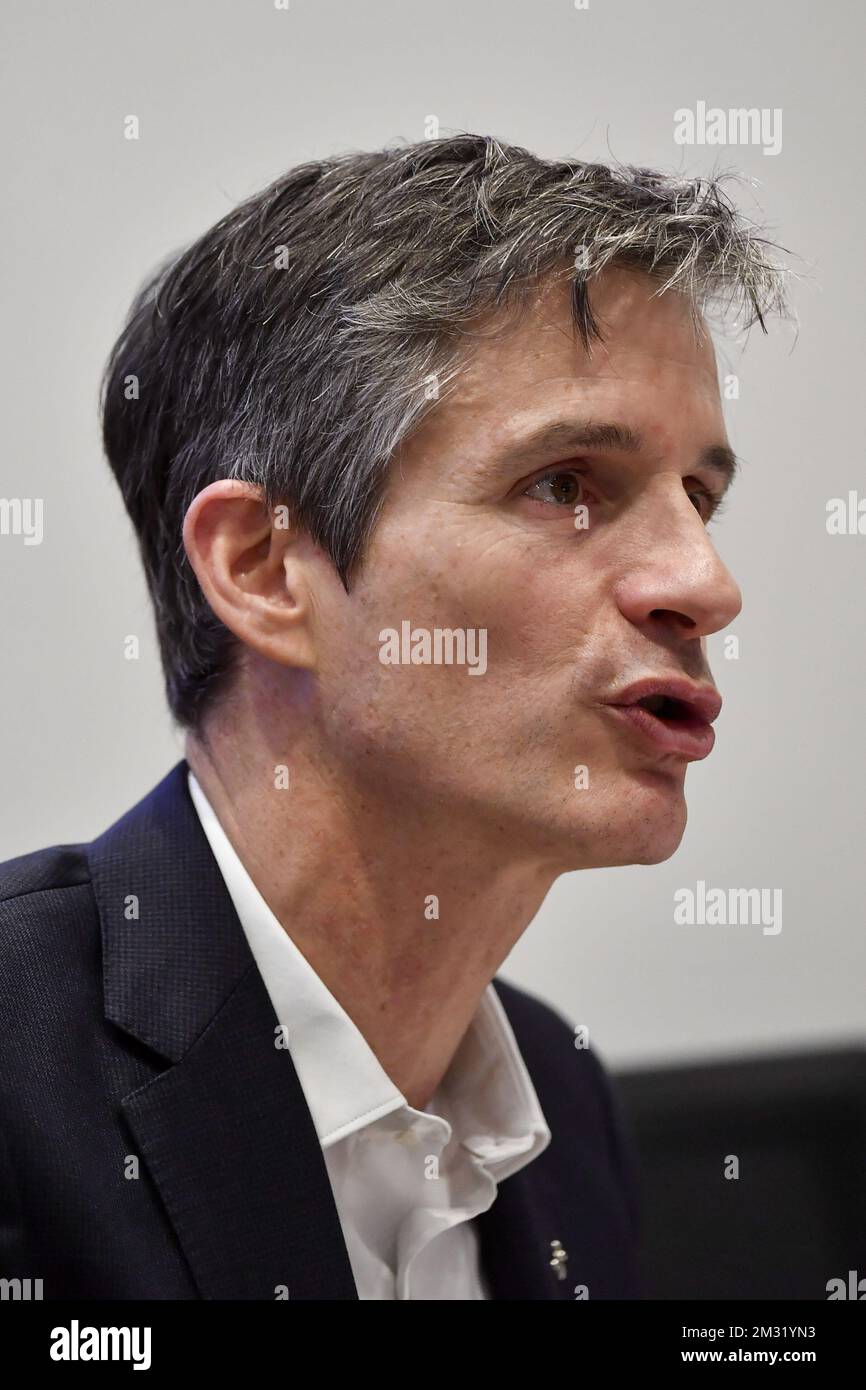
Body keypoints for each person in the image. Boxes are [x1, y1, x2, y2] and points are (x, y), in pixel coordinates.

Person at [0, 134, 788, 1300]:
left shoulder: (566, 1110)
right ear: (265, 570)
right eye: (566, 484)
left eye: (699, 497)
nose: (705, 582)